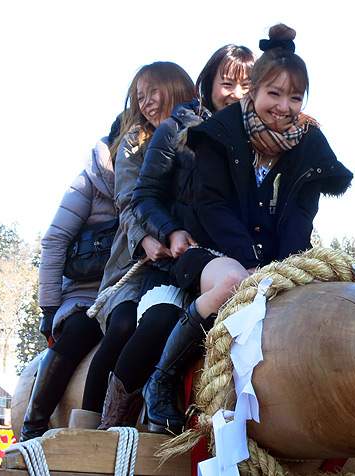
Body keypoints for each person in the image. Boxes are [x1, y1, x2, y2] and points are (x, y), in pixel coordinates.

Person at [141, 24, 353, 435]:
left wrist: (286, 268)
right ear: (254, 91)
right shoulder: (220, 133)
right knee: (233, 284)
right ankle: (161, 380)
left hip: (278, 255)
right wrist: (252, 263)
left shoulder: (309, 143)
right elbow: (211, 204)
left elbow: (300, 215)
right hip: (213, 249)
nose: (284, 105)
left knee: (323, 296)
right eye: (274, 93)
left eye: (295, 96)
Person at [94, 45, 255, 434]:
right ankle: (114, 421)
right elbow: (142, 196)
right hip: (176, 260)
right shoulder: (176, 131)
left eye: (247, 84)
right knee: (156, 322)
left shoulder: (261, 141)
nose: (236, 92)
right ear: (207, 83)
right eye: (227, 82)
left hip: (230, 258)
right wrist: (167, 231)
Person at [69, 62, 197, 430]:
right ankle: (90, 419)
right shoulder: (133, 143)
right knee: (125, 323)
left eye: (153, 92)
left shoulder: (200, 134)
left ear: (176, 88)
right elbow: (128, 202)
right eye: (139, 96)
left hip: (183, 255)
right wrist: (146, 239)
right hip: (134, 263)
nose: (146, 102)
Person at [19, 118, 120, 441]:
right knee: (79, 331)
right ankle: (33, 423)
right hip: (87, 295)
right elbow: (55, 240)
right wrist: (49, 309)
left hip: (129, 290)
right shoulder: (90, 181)